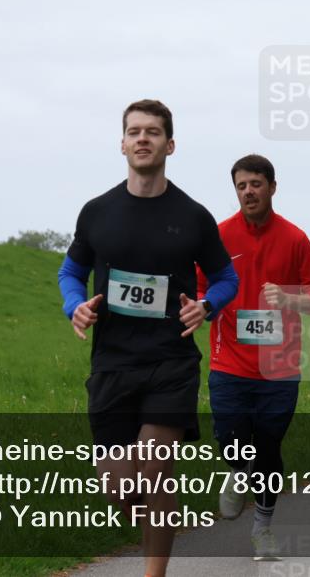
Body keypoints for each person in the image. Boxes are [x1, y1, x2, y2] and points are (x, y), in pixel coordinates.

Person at [58, 99, 239, 577]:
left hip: (170, 360)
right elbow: (71, 271)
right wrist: (75, 305)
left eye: (153, 132)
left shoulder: (193, 216)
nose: (143, 138)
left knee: (155, 468)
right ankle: (161, 523)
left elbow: (226, 278)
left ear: (170, 145)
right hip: (113, 362)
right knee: (121, 488)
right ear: (122, 144)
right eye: (134, 131)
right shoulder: (97, 212)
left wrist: (207, 305)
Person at [197, 154, 310, 560]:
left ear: (272, 187)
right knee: (230, 441)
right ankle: (239, 472)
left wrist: (290, 299)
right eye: (241, 185)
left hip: (279, 369)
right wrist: (203, 306)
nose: (248, 192)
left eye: (256, 184)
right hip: (229, 361)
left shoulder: (295, 238)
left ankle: (263, 529)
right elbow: (199, 287)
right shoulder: (218, 236)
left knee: (269, 449)